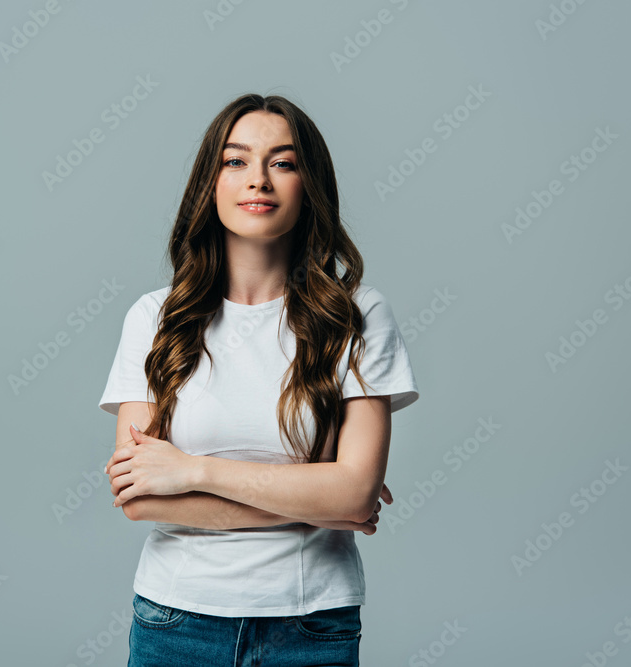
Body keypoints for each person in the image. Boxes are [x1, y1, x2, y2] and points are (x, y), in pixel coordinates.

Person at [97, 92, 420, 667]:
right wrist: (321, 501)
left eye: (283, 162)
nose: (259, 181)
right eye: (236, 160)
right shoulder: (155, 317)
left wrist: (193, 472)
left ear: (309, 185)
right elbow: (140, 497)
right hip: (176, 622)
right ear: (210, 182)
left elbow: (355, 493)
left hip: (312, 622)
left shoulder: (358, 313)